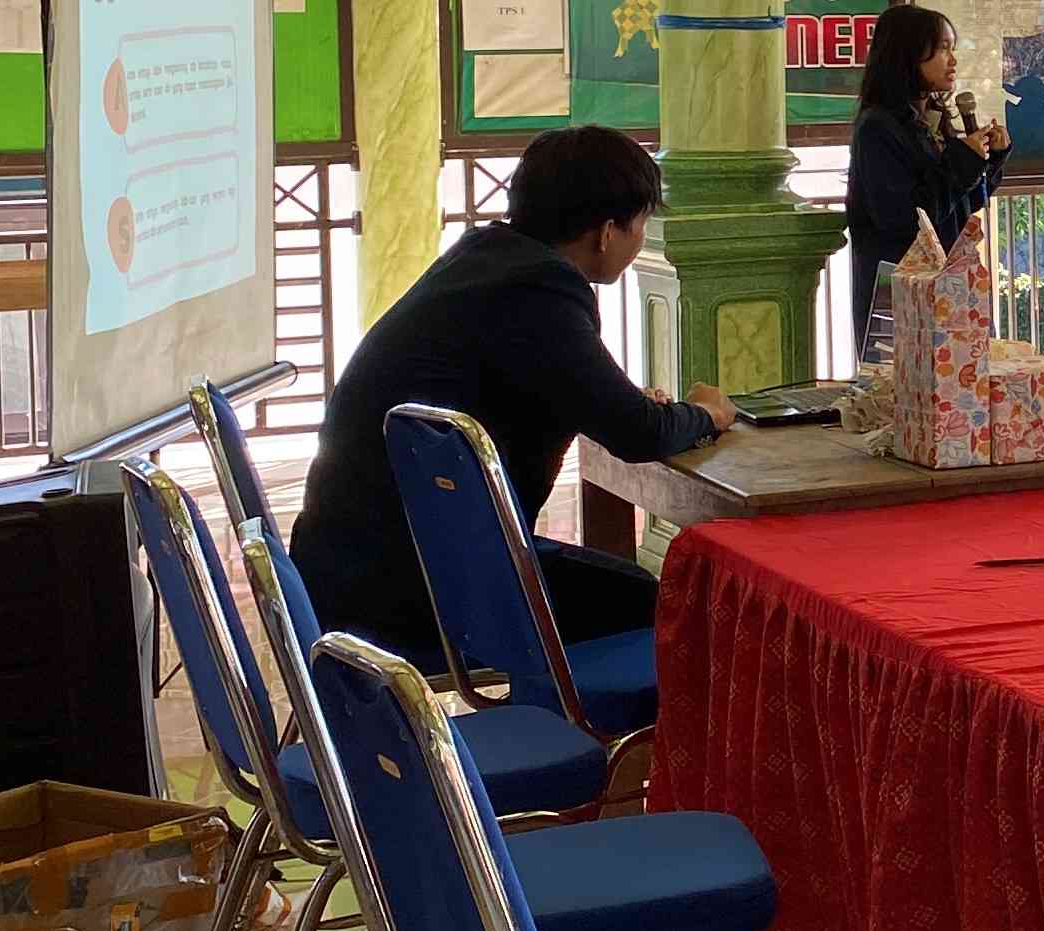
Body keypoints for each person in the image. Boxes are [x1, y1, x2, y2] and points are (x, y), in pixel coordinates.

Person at [291, 127, 739, 658]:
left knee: (632, 588)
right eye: (641, 223)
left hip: (357, 567)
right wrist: (709, 413)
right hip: (417, 592)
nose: (641, 237)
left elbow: (591, 397)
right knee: (673, 606)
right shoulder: (539, 290)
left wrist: (629, 405)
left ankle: (572, 726)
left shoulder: (485, 259)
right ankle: (595, 729)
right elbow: (639, 433)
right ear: (605, 232)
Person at [846, 3, 1011, 352]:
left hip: (949, 282)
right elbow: (903, 219)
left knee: (966, 389)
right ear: (906, 54)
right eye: (942, 48)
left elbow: (963, 201)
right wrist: (961, 161)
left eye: (953, 47)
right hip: (904, 290)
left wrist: (990, 160)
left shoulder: (931, 118)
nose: (953, 60)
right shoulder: (878, 128)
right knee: (904, 396)